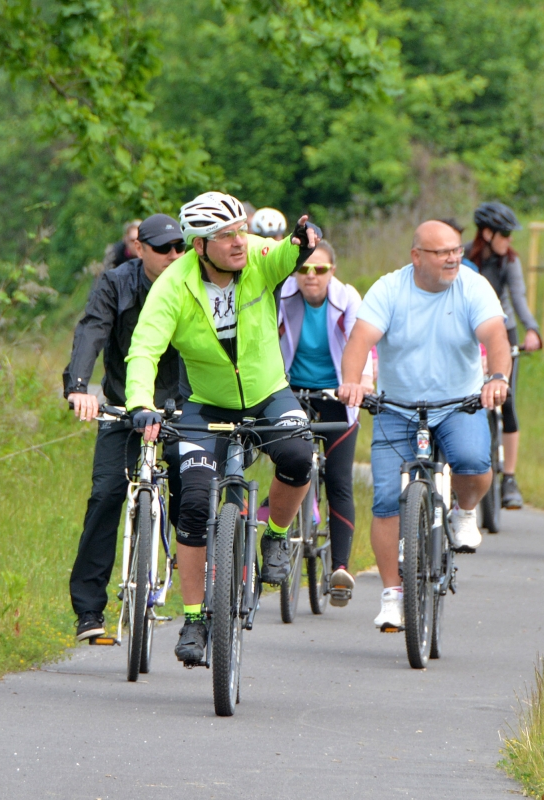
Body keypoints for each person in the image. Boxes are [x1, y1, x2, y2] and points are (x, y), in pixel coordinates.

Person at [124, 191, 320, 665]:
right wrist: (141, 403)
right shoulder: (173, 284)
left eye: (240, 230)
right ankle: (194, 618)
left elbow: (287, 254)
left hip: (268, 392)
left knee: (298, 457)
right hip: (205, 401)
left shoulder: (256, 255)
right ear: (198, 246)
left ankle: (274, 534)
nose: (238, 241)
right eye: (225, 236)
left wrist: (303, 242)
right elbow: (145, 347)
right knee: (192, 501)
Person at [337, 220, 511, 632]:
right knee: (384, 500)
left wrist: (497, 378)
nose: (453, 258)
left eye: (457, 249)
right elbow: (359, 342)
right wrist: (352, 382)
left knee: (471, 461)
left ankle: (464, 512)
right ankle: (393, 597)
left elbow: (496, 337)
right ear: (417, 257)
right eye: (442, 252)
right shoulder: (389, 290)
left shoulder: (473, 286)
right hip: (396, 407)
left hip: (458, 403)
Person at [63, 214, 186, 641]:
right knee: (106, 494)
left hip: (182, 406)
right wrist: (79, 387)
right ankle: (89, 612)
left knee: (195, 494)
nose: (175, 256)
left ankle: (199, 601)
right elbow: (92, 331)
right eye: (165, 249)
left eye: (181, 248)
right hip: (123, 406)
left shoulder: (194, 281)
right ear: (140, 250)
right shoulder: (116, 283)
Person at [278, 240, 375, 606]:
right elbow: (265, 338)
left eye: (319, 269)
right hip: (292, 393)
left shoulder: (348, 299)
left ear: (332, 270)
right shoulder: (282, 295)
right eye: (303, 269)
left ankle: (340, 570)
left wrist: (361, 384)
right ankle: (279, 539)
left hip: (337, 395)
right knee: (290, 465)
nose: (310, 276)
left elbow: (361, 343)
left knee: (338, 479)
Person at [467, 201, 543, 509]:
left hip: (503, 331)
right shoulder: (463, 257)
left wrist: (532, 329)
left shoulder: (510, 262)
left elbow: (519, 298)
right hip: (470, 333)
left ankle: (509, 477)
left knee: (507, 401)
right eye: (505, 234)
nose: (510, 241)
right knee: (468, 402)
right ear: (487, 233)